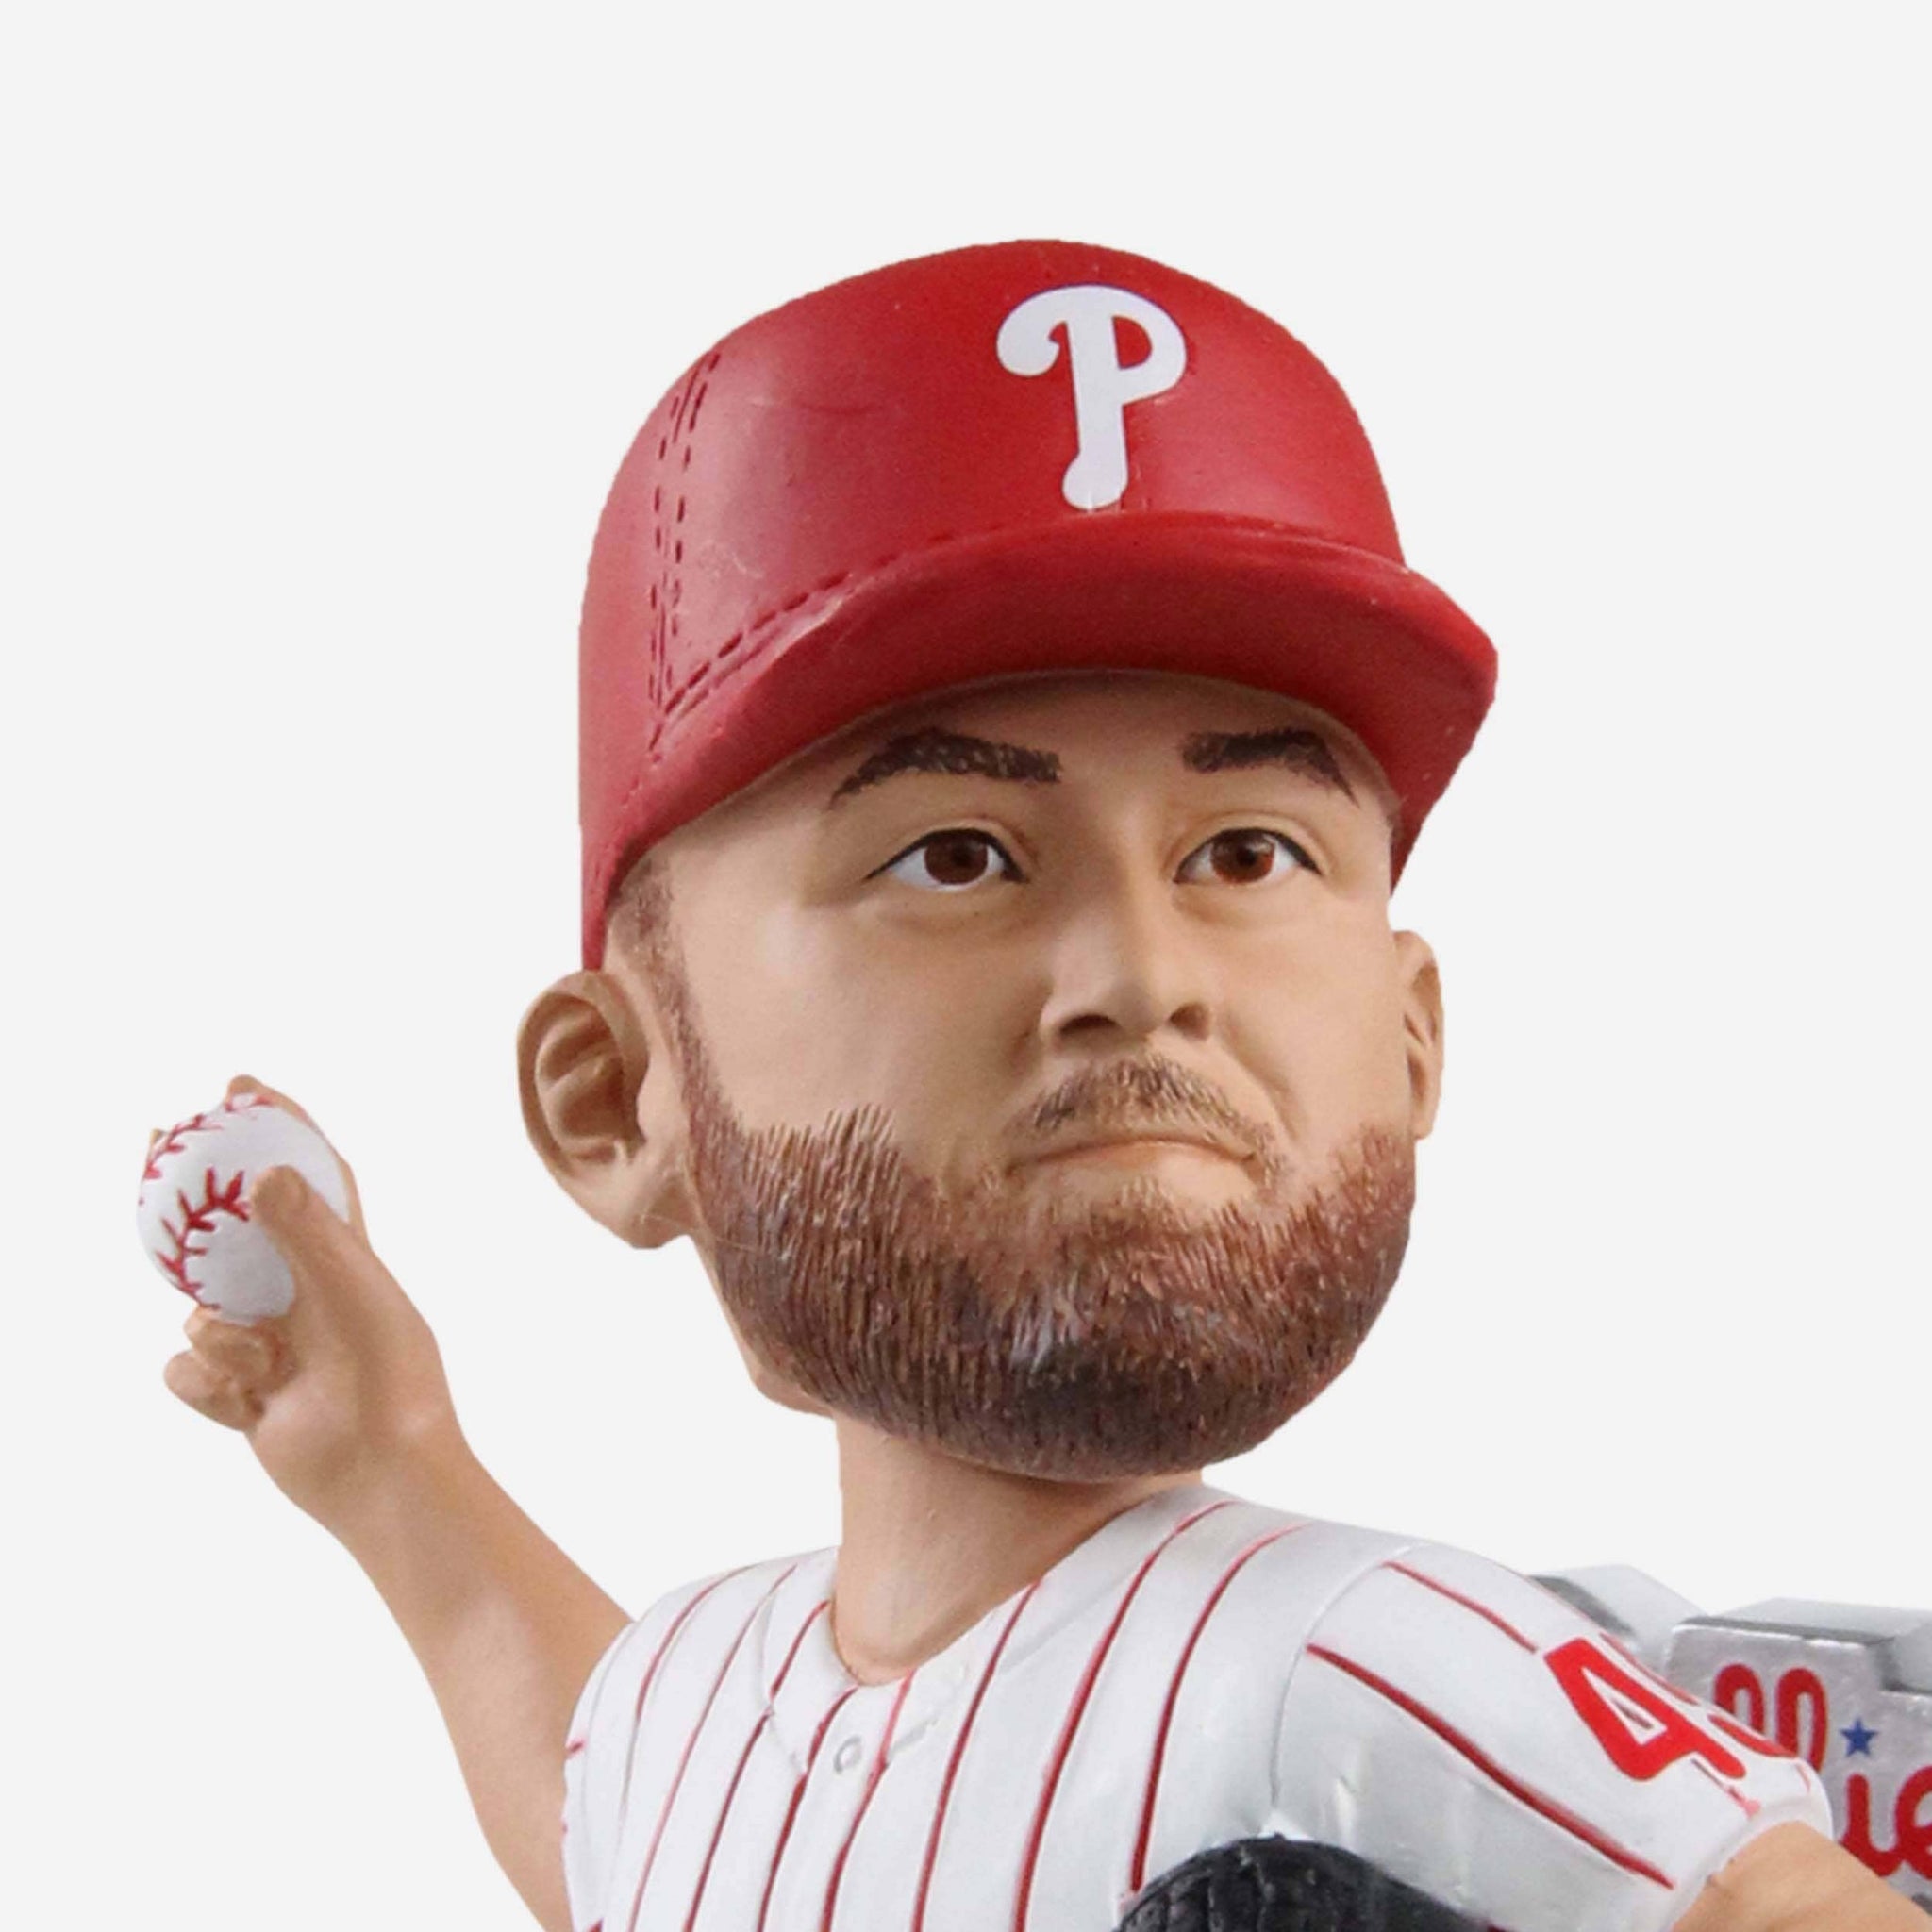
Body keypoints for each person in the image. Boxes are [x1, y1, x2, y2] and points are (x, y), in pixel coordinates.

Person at [160, 242, 1920, 1930]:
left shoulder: (1374, 1656)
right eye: (957, 857)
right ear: (618, 1100)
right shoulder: (692, 1681)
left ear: (1410, 1037)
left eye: (1246, 851)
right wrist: (392, 1466)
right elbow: (622, 1848)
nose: (1144, 978)